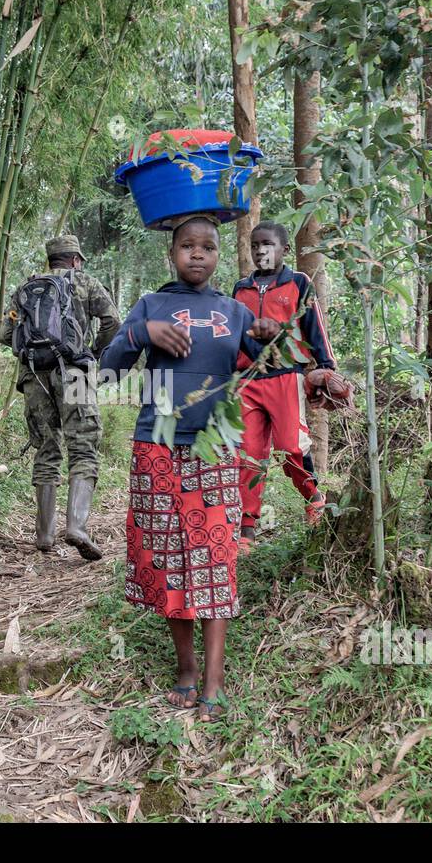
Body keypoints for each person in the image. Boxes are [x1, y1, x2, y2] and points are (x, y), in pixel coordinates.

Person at [100, 215, 281, 721]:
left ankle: (214, 681)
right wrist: (141, 332)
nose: (197, 254)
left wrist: (267, 335)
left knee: (215, 560)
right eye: (187, 246)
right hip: (156, 444)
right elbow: (108, 371)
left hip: (215, 447)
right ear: (172, 253)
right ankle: (185, 669)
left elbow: (276, 368)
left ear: (221, 255)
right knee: (168, 558)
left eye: (208, 247)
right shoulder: (151, 306)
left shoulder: (233, 311)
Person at [0, 235, 121, 559]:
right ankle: (77, 526)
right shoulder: (85, 283)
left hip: (35, 375)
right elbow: (112, 322)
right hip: (75, 373)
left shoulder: (27, 288)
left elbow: (5, 334)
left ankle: (44, 534)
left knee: (47, 447)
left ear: (50, 260)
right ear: (76, 260)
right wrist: (90, 353)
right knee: (83, 445)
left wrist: (35, 352)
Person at [232, 221, 339, 551]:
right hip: (247, 380)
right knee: (248, 454)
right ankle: (247, 529)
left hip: (285, 377)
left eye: (268, 244)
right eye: (255, 245)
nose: (260, 251)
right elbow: (233, 334)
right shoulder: (240, 289)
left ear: (284, 250)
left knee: (291, 446)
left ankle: (314, 499)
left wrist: (326, 367)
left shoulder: (298, 282)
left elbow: (314, 326)